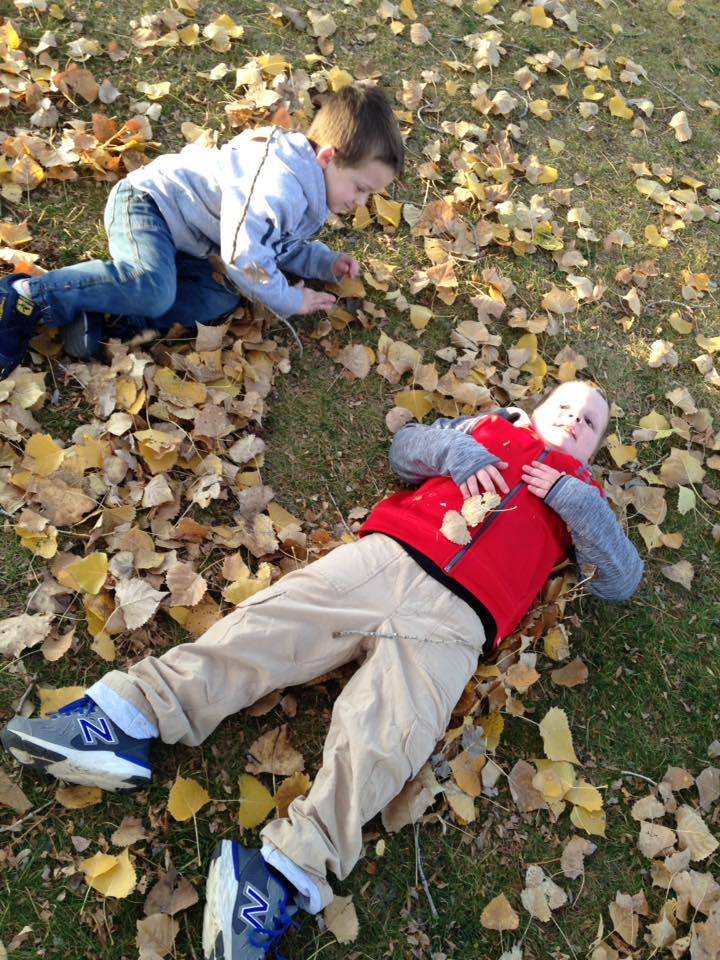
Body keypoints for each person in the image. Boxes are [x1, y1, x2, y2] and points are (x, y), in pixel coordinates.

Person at [1, 379, 643, 960]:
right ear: (533, 410)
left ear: (592, 453)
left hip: (458, 623)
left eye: (590, 421)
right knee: (269, 627)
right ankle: (126, 717)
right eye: (564, 405)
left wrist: (572, 501)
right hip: (386, 559)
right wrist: (457, 453)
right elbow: (405, 450)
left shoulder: (583, 496)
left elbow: (621, 579)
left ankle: (278, 875)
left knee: (389, 738)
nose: (574, 418)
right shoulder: (488, 430)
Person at [0, 84, 403, 378]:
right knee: (153, 286)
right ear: (328, 157)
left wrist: (323, 262)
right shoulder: (277, 182)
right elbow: (247, 258)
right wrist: (288, 300)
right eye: (361, 188)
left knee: (215, 301)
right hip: (149, 206)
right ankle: (27, 295)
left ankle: (100, 314)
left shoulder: (312, 187)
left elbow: (275, 243)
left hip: (192, 243)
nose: (361, 203)